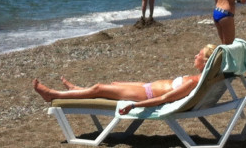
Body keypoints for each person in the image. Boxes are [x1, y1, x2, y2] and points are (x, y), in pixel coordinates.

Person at [33, 44, 217, 115]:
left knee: (99, 89)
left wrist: (134, 106)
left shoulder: (192, 82)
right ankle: (77, 89)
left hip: (145, 95)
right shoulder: (200, 79)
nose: (195, 56)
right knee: (111, 86)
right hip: (146, 87)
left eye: (199, 55)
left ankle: (52, 95)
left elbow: (164, 99)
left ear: (205, 62)